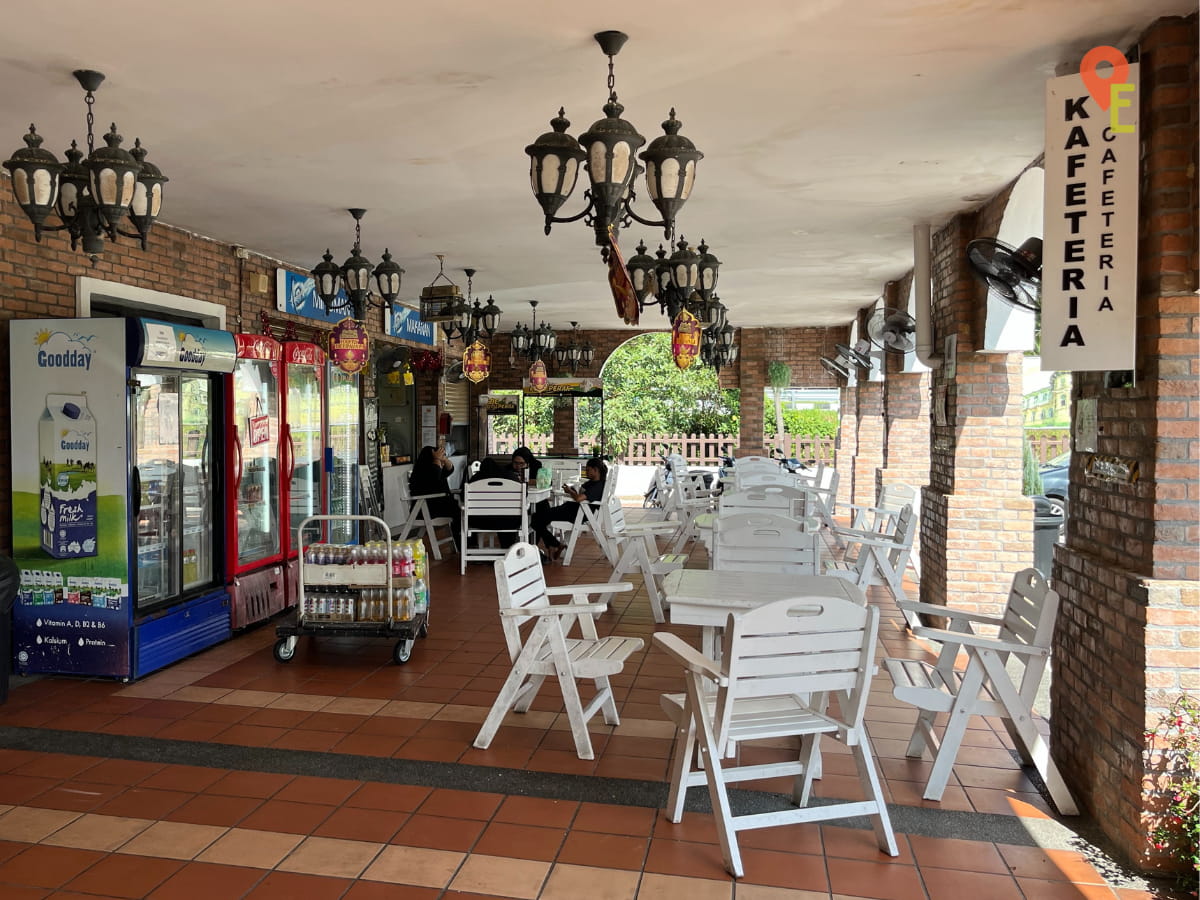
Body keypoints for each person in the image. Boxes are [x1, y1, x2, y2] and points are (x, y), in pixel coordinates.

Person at [531, 457, 606, 563]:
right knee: (540, 519)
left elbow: (579, 498)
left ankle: (553, 545)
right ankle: (552, 546)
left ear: (596, 470)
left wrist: (570, 491)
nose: (586, 472)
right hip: (570, 509)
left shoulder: (597, 486)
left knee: (536, 518)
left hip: (575, 513)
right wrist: (571, 490)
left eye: (588, 470)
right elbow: (580, 494)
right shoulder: (592, 482)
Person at [464, 458, 524, 549]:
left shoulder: (475, 478)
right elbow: (524, 495)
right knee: (507, 514)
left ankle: (472, 547)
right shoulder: (510, 476)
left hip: (480, 521)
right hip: (509, 522)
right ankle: (508, 549)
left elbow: (462, 497)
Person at [409, 445, 461, 543]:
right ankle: (461, 542)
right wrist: (437, 459)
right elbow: (434, 477)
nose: (439, 462)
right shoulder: (422, 472)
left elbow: (450, 469)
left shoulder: (435, 470)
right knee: (459, 512)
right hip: (424, 509)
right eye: (436, 458)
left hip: (432, 507)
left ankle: (463, 542)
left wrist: (444, 459)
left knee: (460, 510)